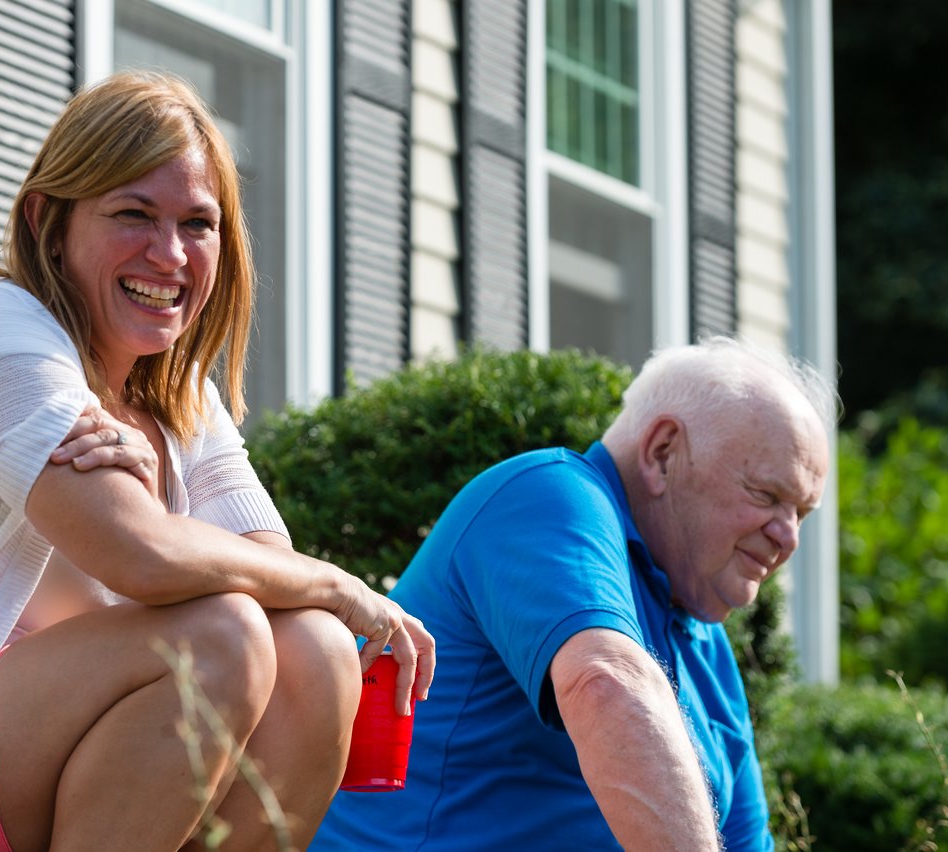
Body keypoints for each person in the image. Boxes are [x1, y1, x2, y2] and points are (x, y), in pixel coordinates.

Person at [0, 71, 434, 852]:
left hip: (8, 751)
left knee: (315, 651)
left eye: (198, 223)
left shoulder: (181, 396)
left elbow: (264, 566)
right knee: (218, 638)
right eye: (133, 214)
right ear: (49, 220)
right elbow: (144, 556)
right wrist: (338, 582)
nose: (169, 253)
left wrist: (155, 496)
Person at [312, 336, 834, 851]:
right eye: (767, 495)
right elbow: (604, 681)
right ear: (663, 452)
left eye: (802, 514)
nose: (788, 537)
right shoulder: (549, 495)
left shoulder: (708, 650)